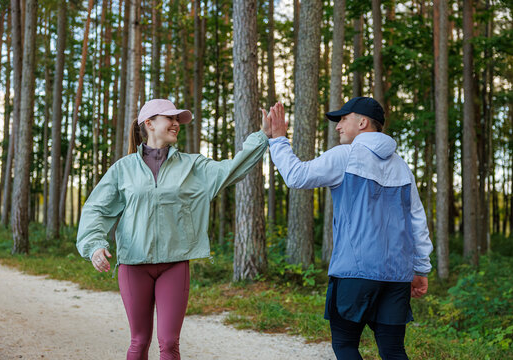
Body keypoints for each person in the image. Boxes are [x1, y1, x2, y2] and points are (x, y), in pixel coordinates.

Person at [76, 99, 271, 360]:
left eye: (178, 119)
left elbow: (230, 169)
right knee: (139, 341)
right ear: (149, 124)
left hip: (175, 264)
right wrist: (95, 245)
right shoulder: (123, 169)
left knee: (169, 343)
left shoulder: (192, 166)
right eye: (170, 118)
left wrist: (262, 137)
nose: (176, 123)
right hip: (134, 264)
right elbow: (96, 209)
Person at [265, 98, 433, 360]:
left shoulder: (347, 155)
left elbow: (296, 176)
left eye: (343, 119)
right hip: (397, 274)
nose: (338, 127)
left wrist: (278, 139)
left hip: (356, 271)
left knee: (345, 345)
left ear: (363, 122)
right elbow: (417, 221)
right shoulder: (402, 167)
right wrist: (420, 269)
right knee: (393, 350)